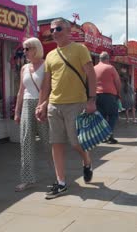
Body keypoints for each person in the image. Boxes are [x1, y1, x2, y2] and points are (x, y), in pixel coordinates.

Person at [36, 18, 96, 199]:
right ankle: (61, 183)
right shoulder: (50, 56)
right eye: (52, 30)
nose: (54, 32)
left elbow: (91, 75)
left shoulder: (80, 49)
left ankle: (86, 161)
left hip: (76, 103)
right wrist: (41, 104)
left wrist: (92, 100)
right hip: (54, 105)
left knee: (76, 142)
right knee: (56, 143)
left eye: (58, 29)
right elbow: (46, 83)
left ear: (68, 30)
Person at [13, 37, 49, 192]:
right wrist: (17, 111)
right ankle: (28, 179)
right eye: (23, 49)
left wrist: (45, 105)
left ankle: (59, 176)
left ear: (36, 48)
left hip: (43, 105)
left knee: (49, 142)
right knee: (26, 142)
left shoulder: (47, 66)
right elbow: (21, 91)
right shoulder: (24, 68)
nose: (24, 52)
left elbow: (51, 89)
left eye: (27, 48)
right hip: (27, 105)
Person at [94, 51, 121, 144]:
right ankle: (108, 135)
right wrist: (119, 93)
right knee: (113, 115)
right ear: (107, 59)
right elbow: (117, 82)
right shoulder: (110, 68)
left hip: (96, 95)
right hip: (109, 95)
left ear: (99, 59)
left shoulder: (94, 68)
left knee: (102, 117)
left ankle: (103, 136)